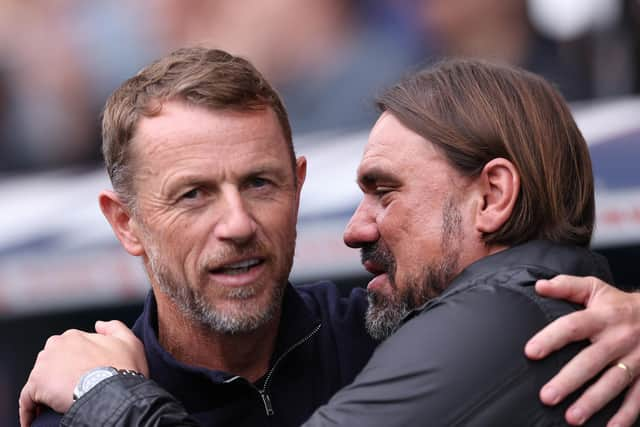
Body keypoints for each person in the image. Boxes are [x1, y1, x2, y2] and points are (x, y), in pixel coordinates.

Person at [18, 51, 640, 427]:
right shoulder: (70, 408)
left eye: (260, 183)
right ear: (125, 222)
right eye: (194, 194)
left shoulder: (410, 331)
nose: (236, 224)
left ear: (297, 186)